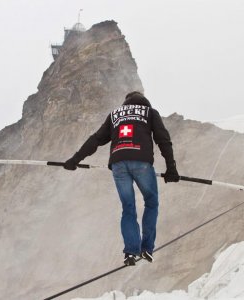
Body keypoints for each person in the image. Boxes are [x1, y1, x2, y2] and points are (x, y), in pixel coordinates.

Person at [63, 91, 180, 266]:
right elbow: (163, 140)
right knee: (151, 202)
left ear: (126, 103)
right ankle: (146, 248)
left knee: (128, 208)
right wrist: (171, 168)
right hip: (141, 163)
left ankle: (130, 252)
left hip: (118, 164)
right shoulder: (150, 113)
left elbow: (95, 140)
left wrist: (75, 160)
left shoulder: (115, 114)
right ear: (145, 102)